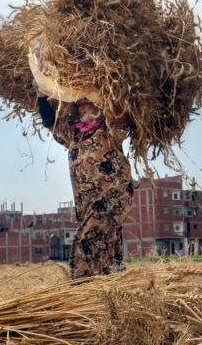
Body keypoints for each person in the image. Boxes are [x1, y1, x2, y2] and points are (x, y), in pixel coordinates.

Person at [37, 94, 133, 280]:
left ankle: (81, 286)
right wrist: (42, 96)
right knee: (109, 243)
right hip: (85, 202)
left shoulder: (108, 129)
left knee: (86, 240)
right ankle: (112, 286)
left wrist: (110, 89)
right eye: (79, 104)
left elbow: (121, 118)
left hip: (111, 196)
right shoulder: (75, 134)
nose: (81, 107)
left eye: (86, 102)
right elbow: (51, 124)